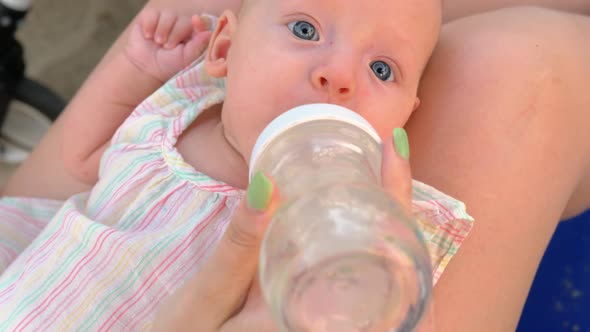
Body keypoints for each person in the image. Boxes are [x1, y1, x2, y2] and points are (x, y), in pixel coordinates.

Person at [1, 0, 589, 331]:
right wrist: (137, 67)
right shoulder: (173, 118)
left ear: (409, 115)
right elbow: (83, 166)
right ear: (224, 50)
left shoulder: (354, 205)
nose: (340, 76)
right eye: (306, 30)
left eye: (382, 71)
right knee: (529, 68)